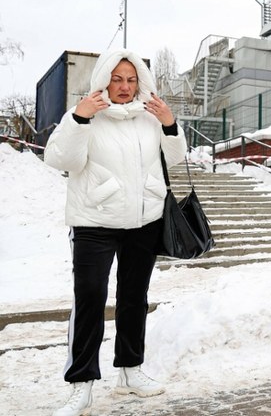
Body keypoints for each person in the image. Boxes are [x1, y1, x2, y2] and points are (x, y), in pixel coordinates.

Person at [44, 49, 187, 416]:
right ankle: (81, 385)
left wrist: (170, 124)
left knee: (134, 298)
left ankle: (130, 372)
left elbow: (173, 158)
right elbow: (62, 160)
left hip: (144, 220)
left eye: (131, 79)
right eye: (117, 79)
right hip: (95, 222)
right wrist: (80, 119)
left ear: (140, 82)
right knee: (90, 299)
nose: (124, 87)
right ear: (105, 78)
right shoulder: (86, 112)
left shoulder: (149, 117)